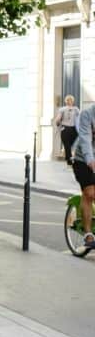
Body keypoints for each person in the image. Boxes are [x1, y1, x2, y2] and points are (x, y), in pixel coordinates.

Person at [71, 102, 95, 248]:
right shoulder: (87, 115)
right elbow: (85, 139)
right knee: (90, 193)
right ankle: (88, 234)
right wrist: (90, 159)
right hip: (82, 160)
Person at [53, 94, 80, 164]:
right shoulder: (62, 109)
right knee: (67, 145)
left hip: (73, 130)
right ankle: (69, 161)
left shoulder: (76, 109)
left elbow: (79, 119)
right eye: (68, 100)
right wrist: (58, 121)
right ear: (66, 101)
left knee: (68, 146)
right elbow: (58, 118)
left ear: (73, 101)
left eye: (70, 100)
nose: (69, 101)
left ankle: (68, 157)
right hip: (65, 129)